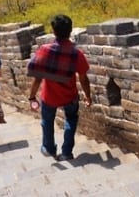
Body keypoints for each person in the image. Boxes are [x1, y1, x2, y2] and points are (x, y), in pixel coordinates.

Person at [27, 14, 92, 161]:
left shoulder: (44, 50)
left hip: (49, 96)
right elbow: (83, 79)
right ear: (70, 30)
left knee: (47, 121)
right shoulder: (76, 54)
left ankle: (48, 148)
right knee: (71, 120)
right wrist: (88, 96)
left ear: (53, 31)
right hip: (70, 96)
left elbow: (37, 78)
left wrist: (32, 97)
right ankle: (67, 153)